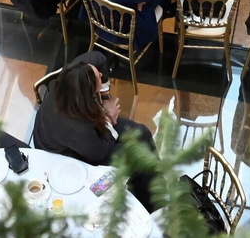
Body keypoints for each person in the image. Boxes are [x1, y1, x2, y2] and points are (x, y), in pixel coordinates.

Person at [30, 53, 158, 209]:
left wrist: (105, 99)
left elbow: (99, 58)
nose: (101, 75)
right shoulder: (78, 129)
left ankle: (157, 180)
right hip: (65, 154)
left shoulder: (79, 72)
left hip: (89, 123)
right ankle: (150, 204)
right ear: (88, 93)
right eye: (98, 78)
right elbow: (100, 152)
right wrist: (107, 121)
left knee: (142, 132)